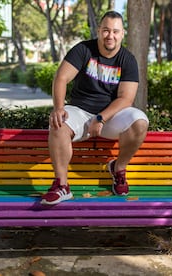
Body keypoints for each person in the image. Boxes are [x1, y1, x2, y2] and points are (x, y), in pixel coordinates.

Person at [40, 11, 149, 205]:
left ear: (122, 33)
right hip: (80, 112)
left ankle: (118, 168)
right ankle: (62, 186)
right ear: (99, 30)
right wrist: (58, 107)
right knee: (58, 124)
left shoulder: (128, 60)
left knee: (140, 122)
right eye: (106, 30)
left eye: (115, 31)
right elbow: (61, 78)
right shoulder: (83, 50)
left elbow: (126, 99)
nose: (110, 36)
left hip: (110, 117)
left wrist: (100, 118)